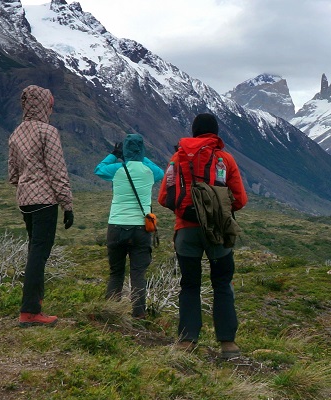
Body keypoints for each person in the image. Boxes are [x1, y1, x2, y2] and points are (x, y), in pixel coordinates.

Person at [157, 113, 247, 358]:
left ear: (193, 131)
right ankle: (228, 344)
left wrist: (186, 212)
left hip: (185, 232)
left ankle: (187, 340)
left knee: (189, 284)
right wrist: (218, 212)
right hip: (217, 233)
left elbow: (164, 197)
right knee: (222, 283)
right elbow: (240, 199)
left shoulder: (177, 158)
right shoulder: (224, 159)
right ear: (215, 133)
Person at [8, 84, 74, 327]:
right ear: (45, 104)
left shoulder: (16, 133)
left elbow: (12, 173)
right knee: (39, 253)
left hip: (25, 199)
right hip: (45, 199)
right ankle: (30, 311)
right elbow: (57, 171)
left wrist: (25, 186)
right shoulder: (48, 132)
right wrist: (67, 204)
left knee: (34, 250)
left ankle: (34, 305)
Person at [94, 133, 164, 318]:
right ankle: (139, 316)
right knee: (138, 275)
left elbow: (99, 169)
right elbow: (160, 172)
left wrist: (114, 154)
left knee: (116, 273)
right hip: (141, 229)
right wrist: (139, 157)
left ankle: (111, 314)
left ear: (124, 150)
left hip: (116, 227)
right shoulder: (150, 172)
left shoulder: (117, 169)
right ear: (142, 150)